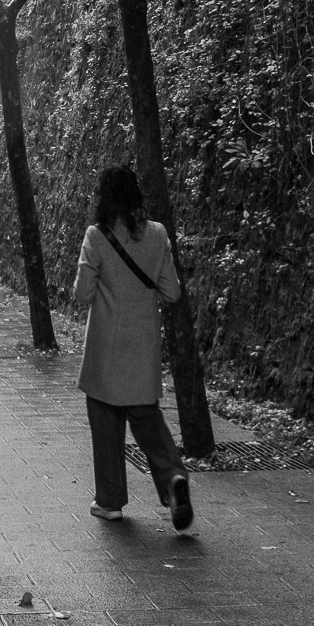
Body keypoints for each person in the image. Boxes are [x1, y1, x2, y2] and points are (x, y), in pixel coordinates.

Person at [74, 164, 194, 533]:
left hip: (106, 348)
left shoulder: (97, 236)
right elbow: (171, 291)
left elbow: (82, 294)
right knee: (147, 419)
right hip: (143, 346)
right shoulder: (157, 234)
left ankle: (110, 501)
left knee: (105, 415)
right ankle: (173, 478)